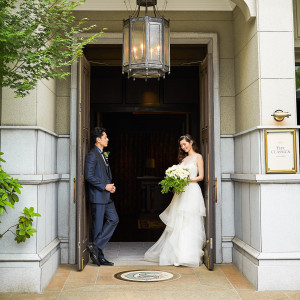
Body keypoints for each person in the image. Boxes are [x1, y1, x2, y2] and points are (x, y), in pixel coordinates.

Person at [144, 134, 206, 267]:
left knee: (190, 221)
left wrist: (186, 180)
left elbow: (201, 176)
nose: (183, 147)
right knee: (179, 222)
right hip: (182, 193)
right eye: (181, 145)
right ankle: (177, 255)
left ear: (191, 142)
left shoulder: (198, 157)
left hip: (192, 191)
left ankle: (189, 256)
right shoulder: (183, 160)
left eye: (185, 144)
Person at [85, 127, 119, 266]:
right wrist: (104, 186)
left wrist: (110, 186)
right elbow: (89, 176)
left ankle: (96, 246)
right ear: (98, 139)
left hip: (106, 196)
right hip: (98, 197)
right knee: (98, 228)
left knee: (114, 219)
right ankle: (100, 257)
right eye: (105, 137)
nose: (107, 139)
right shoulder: (92, 154)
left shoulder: (102, 153)